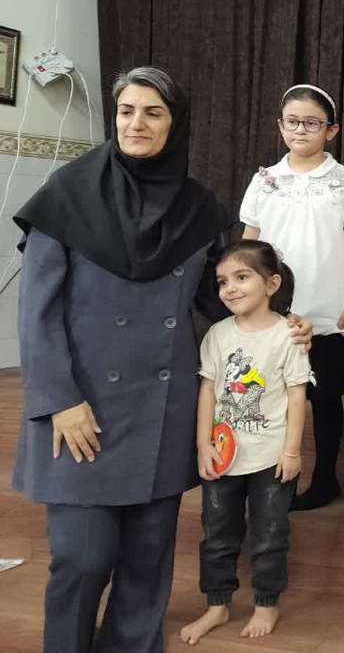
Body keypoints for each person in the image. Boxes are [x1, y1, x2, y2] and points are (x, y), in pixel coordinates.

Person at [10, 66, 310, 653]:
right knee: (81, 558)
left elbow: (220, 299)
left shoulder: (197, 208)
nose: (136, 123)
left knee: (146, 566)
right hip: (80, 411)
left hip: (159, 412)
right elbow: (36, 316)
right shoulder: (65, 196)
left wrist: (282, 318)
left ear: (176, 124)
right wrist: (60, 400)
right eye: (127, 111)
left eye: (153, 112)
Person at [240, 83, 344, 511]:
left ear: (331, 131)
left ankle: (325, 479)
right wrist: (245, 296)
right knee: (269, 395)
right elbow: (250, 243)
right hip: (272, 311)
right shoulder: (265, 180)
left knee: (325, 396)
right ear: (280, 126)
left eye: (312, 123)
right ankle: (270, 479)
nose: (300, 130)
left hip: (326, 310)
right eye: (293, 121)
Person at [180, 241, 311, 644]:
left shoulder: (289, 335)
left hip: (271, 457)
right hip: (223, 456)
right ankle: (217, 605)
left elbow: (296, 396)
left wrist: (292, 451)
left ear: (271, 284)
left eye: (242, 277)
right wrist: (203, 445)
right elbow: (208, 391)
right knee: (217, 533)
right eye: (223, 281)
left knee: (270, 534)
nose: (230, 288)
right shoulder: (217, 335)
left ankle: (266, 603)